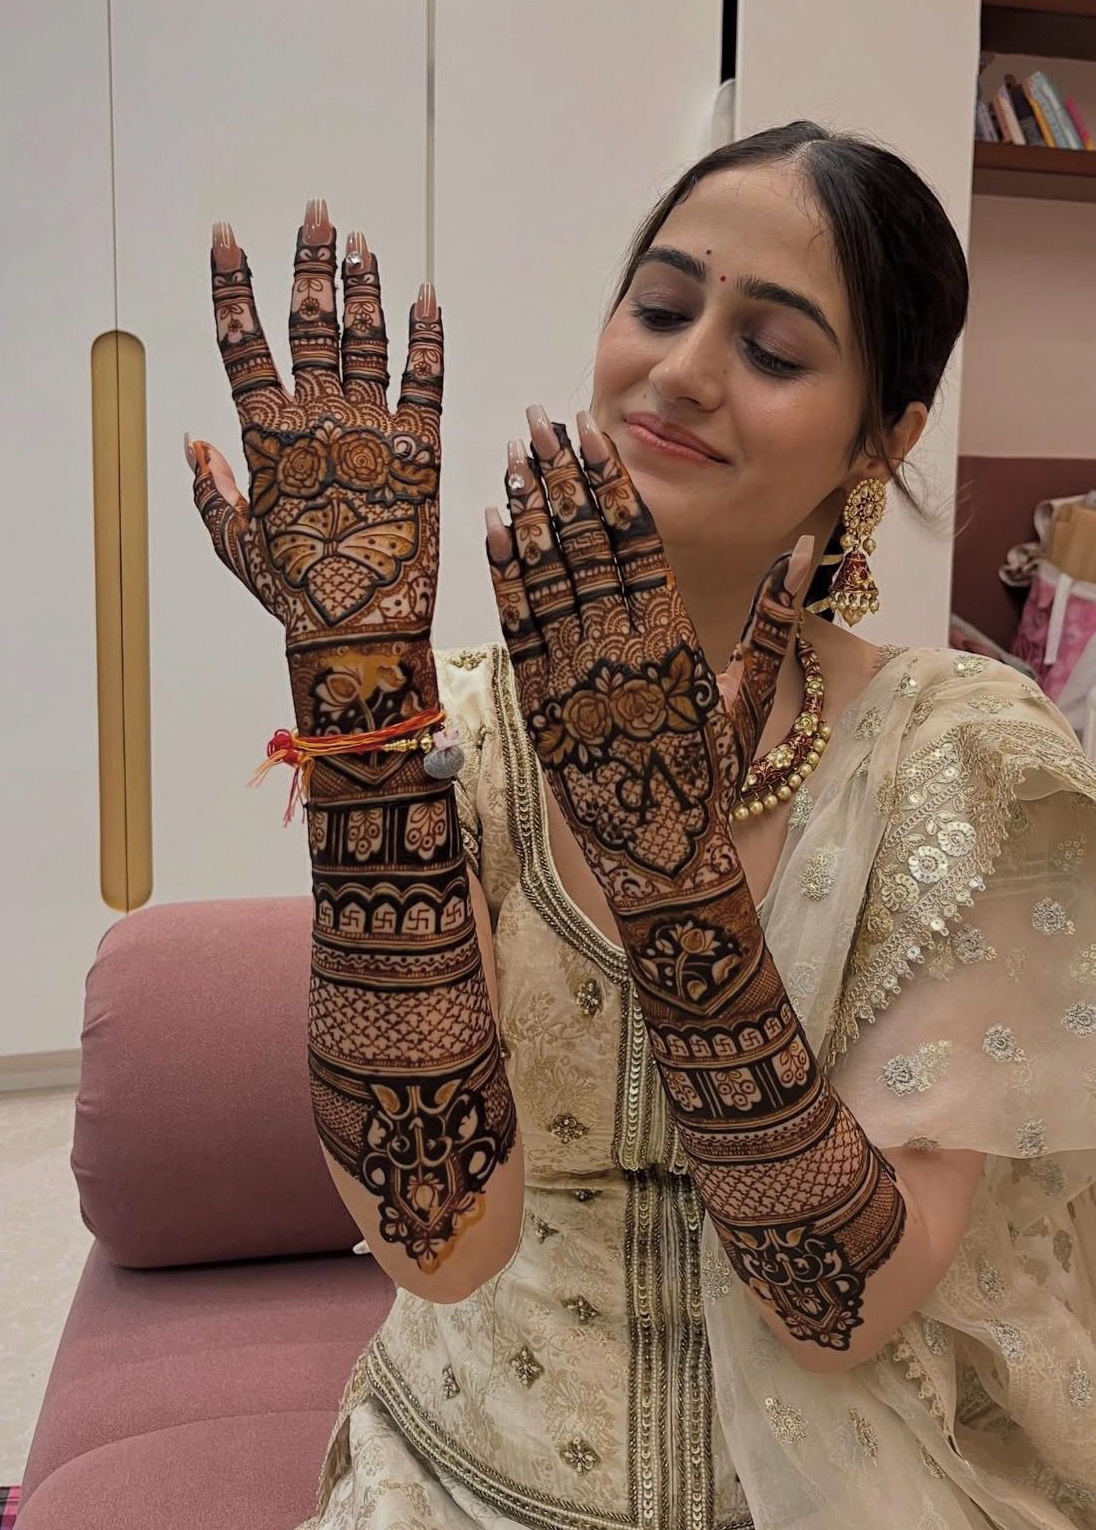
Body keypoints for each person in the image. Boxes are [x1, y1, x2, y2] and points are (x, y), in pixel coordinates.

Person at [185, 120, 1096, 1530]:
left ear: (883, 436)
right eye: (660, 308)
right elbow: (436, 1243)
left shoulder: (963, 763)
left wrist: (679, 892)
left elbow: (838, 1312)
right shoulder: (450, 735)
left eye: (774, 350)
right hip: (469, 1478)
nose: (678, 370)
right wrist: (357, 697)